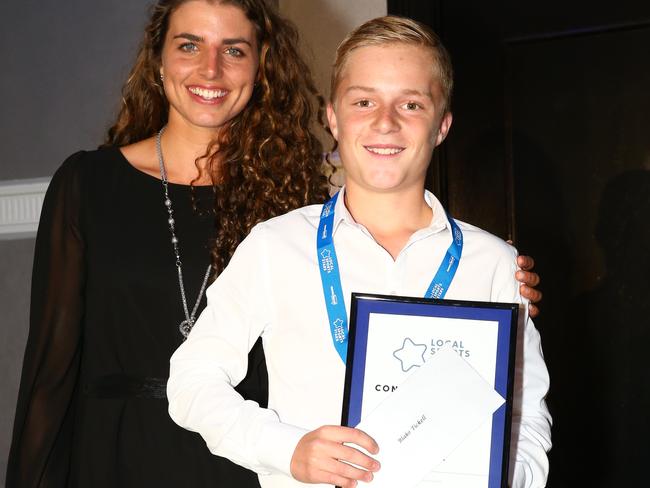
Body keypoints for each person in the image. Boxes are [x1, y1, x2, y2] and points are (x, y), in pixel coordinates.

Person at [167, 15, 552, 488]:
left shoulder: (493, 264)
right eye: (364, 101)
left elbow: (527, 417)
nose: (385, 122)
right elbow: (191, 381)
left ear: (442, 125)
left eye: (411, 104)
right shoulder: (275, 246)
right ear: (332, 116)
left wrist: (497, 477)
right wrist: (287, 449)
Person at [6, 1, 330, 487]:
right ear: (157, 60)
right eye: (189, 45)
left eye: (234, 50)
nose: (210, 69)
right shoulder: (87, 185)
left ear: (261, 66)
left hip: (241, 464)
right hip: (111, 460)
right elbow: (50, 373)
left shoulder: (297, 202)